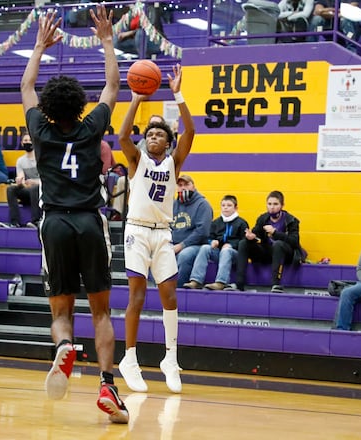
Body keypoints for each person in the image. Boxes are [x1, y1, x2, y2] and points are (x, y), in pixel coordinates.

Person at [21, 7, 129, 423]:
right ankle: (107, 386)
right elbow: (113, 86)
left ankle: (64, 346)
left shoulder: (40, 130)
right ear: (79, 105)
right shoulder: (91, 128)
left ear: (48, 108)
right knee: (100, 311)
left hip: (54, 224)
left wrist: (38, 47)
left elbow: (26, 85)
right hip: (89, 221)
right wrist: (105, 40)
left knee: (61, 311)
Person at [117, 63, 195, 395]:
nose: (152, 137)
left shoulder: (174, 162)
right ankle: (130, 359)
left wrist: (177, 94)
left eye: (158, 133)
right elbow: (121, 136)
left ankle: (169, 359)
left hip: (162, 233)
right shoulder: (137, 160)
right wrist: (135, 98)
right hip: (136, 231)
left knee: (170, 296)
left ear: (167, 140)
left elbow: (191, 133)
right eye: (149, 133)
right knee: (136, 295)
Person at [234, 190, 303, 292]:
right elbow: (256, 234)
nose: (272, 207)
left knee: (278, 244)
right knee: (243, 243)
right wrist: (251, 236)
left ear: (282, 205)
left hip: (285, 253)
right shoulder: (263, 218)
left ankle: (275, 284)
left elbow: (294, 241)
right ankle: (239, 284)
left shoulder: (291, 220)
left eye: (275, 204)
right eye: (269, 204)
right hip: (267, 252)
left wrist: (275, 233)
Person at [183, 195, 249, 291]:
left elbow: (244, 242)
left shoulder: (242, 223)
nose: (225, 207)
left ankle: (221, 282)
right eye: (223, 205)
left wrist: (231, 245)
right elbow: (209, 237)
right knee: (205, 247)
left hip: (234, 254)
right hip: (219, 252)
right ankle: (196, 280)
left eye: (229, 205)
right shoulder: (216, 222)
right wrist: (212, 241)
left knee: (226, 251)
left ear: (236, 208)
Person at [172, 174, 213, 287]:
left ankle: (178, 289)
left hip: (196, 245)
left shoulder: (203, 204)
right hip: (173, 244)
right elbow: (167, 226)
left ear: (193, 186)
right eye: (180, 185)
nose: (183, 188)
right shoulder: (173, 204)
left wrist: (181, 245)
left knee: (185, 255)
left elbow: (202, 232)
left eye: (186, 184)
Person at [0, 134, 41, 228]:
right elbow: (21, 177)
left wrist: (35, 182)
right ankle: (14, 222)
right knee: (11, 189)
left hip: (41, 191)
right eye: (25, 140)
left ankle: (36, 221)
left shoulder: (41, 158)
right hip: (28, 191)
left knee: (35, 188)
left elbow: (47, 179)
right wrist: (20, 181)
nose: (28, 142)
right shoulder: (20, 161)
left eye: (30, 140)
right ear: (22, 143)